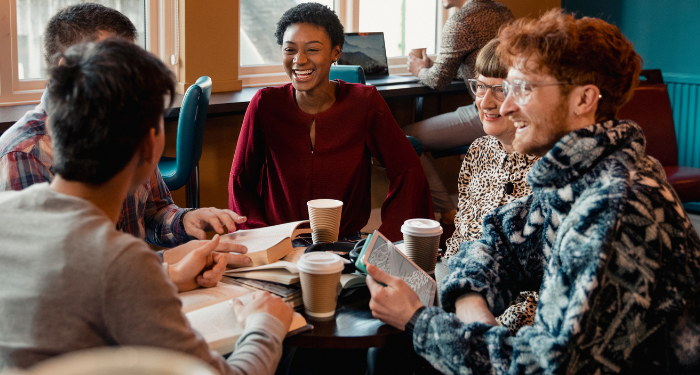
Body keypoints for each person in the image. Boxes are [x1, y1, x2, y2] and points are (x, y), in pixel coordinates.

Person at [366, 9, 700, 374]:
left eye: (523, 88)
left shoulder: (617, 205)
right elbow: (496, 241)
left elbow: (547, 367)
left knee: (395, 352)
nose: (507, 106)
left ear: (583, 100)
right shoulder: (578, 177)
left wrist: (418, 320)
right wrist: (469, 302)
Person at [0, 38, 294, 374]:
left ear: (53, 127)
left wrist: (165, 274)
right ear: (150, 148)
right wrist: (266, 325)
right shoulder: (120, 263)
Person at [0, 3, 250, 268]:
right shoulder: (21, 155)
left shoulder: (129, 124)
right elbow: (55, 276)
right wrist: (166, 268)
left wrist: (185, 221)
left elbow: (154, 211)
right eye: (117, 64)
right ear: (66, 70)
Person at [228, 2, 433, 242]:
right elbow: (240, 180)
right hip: (280, 243)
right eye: (290, 49)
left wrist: (386, 241)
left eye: (313, 49)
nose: (299, 60)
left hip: (345, 241)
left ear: (336, 52)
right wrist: (259, 238)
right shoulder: (264, 104)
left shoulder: (364, 102)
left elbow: (408, 171)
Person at [442, 38, 539, 336]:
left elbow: (541, 290)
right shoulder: (479, 151)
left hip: (512, 318)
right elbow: (461, 237)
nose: (485, 102)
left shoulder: (549, 169)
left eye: (501, 89)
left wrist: (487, 328)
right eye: (480, 86)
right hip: (461, 288)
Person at [403, 0, 514, 227]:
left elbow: (438, 79)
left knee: (405, 140)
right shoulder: (502, 11)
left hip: (486, 108)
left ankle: (448, 211)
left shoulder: (460, 22)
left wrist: (419, 69)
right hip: (506, 103)